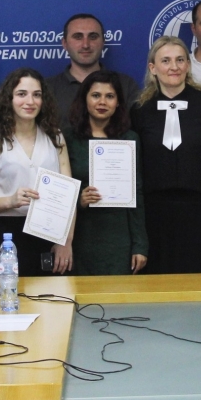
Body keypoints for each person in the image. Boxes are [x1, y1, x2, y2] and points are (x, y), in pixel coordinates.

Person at [131, 36, 201, 273]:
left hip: (200, 213)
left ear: (188, 65)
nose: (173, 67)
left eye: (179, 60)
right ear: (153, 68)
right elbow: (134, 171)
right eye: (165, 61)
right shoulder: (139, 110)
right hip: (153, 215)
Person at [0, 68, 74, 275]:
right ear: (9, 99)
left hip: (50, 231)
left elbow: (69, 196)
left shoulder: (55, 137)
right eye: (22, 94)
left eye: (37, 95)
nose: (30, 101)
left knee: (54, 294)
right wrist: (10, 201)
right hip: (6, 235)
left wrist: (66, 240)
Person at [63, 71, 148, 275]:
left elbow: (137, 193)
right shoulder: (67, 138)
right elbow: (59, 191)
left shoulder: (129, 139)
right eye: (95, 95)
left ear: (118, 102)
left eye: (109, 96)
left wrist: (140, 245)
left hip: (118, 237)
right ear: (84, 99)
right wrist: (79, 200)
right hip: (80, 235)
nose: (102, 102)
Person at [46, 15, 139, 113]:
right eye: (78, 37)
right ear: (65, 43)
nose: (86, 45)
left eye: (93, 37)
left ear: (103, 42)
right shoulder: (47, 88)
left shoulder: (125, 85)